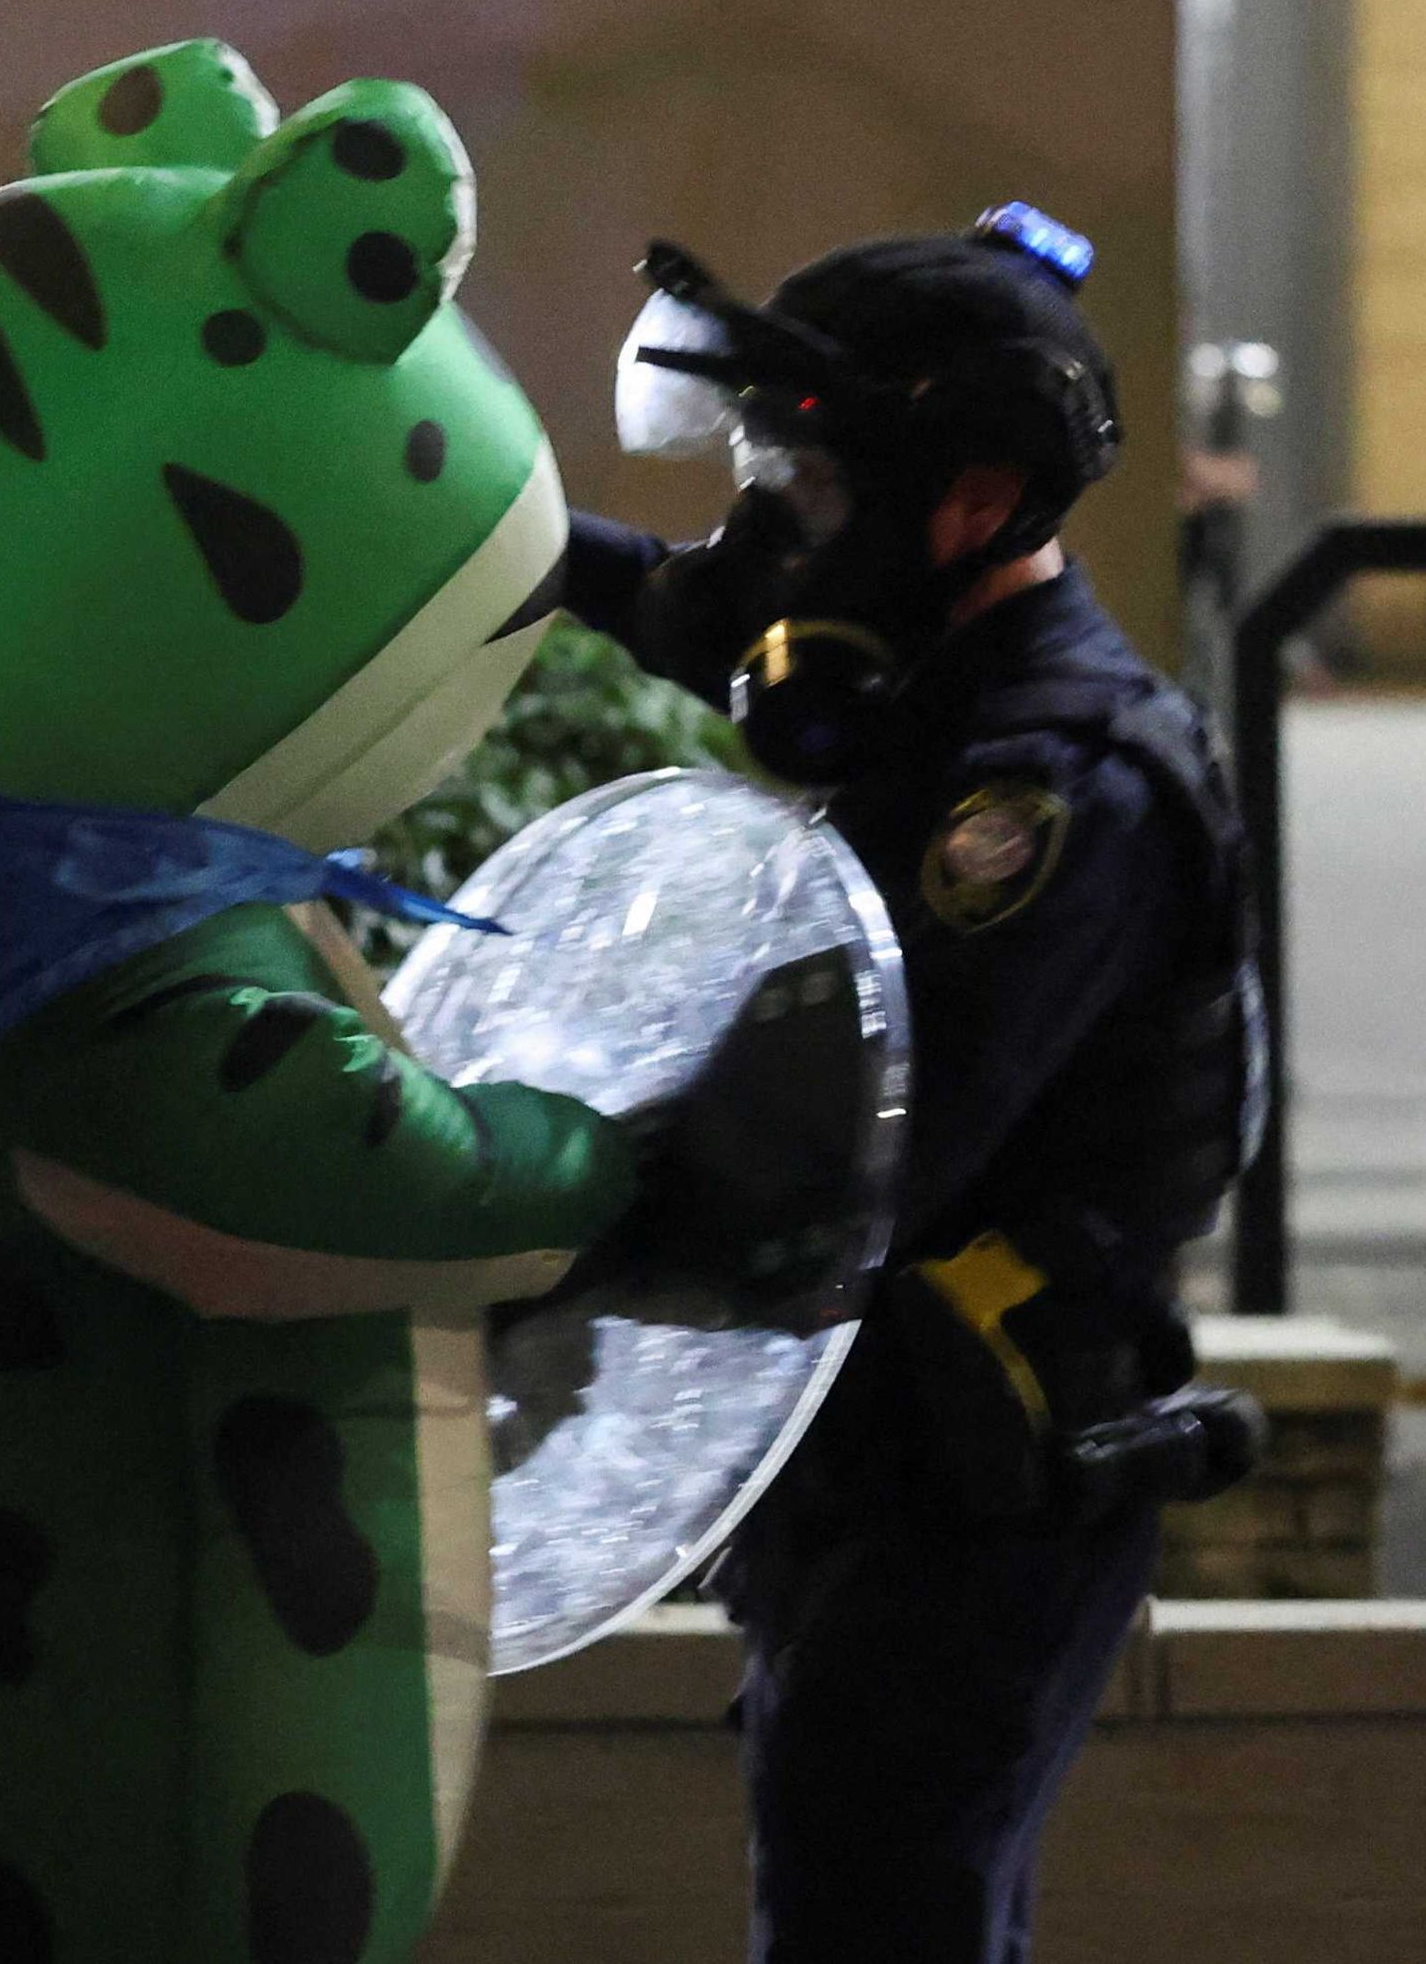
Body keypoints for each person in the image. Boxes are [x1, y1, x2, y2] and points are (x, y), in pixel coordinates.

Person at [560, 206, 1266, 1963]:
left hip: (980, 1492)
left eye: (803, 494)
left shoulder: (1044, 793)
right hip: (883, 1463)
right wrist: (462, 524)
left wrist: (514, 1173)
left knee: (881, 1915)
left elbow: (851, 1140)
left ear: (968, 505)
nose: (761, 538)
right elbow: (672, 603)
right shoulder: (931, 682)